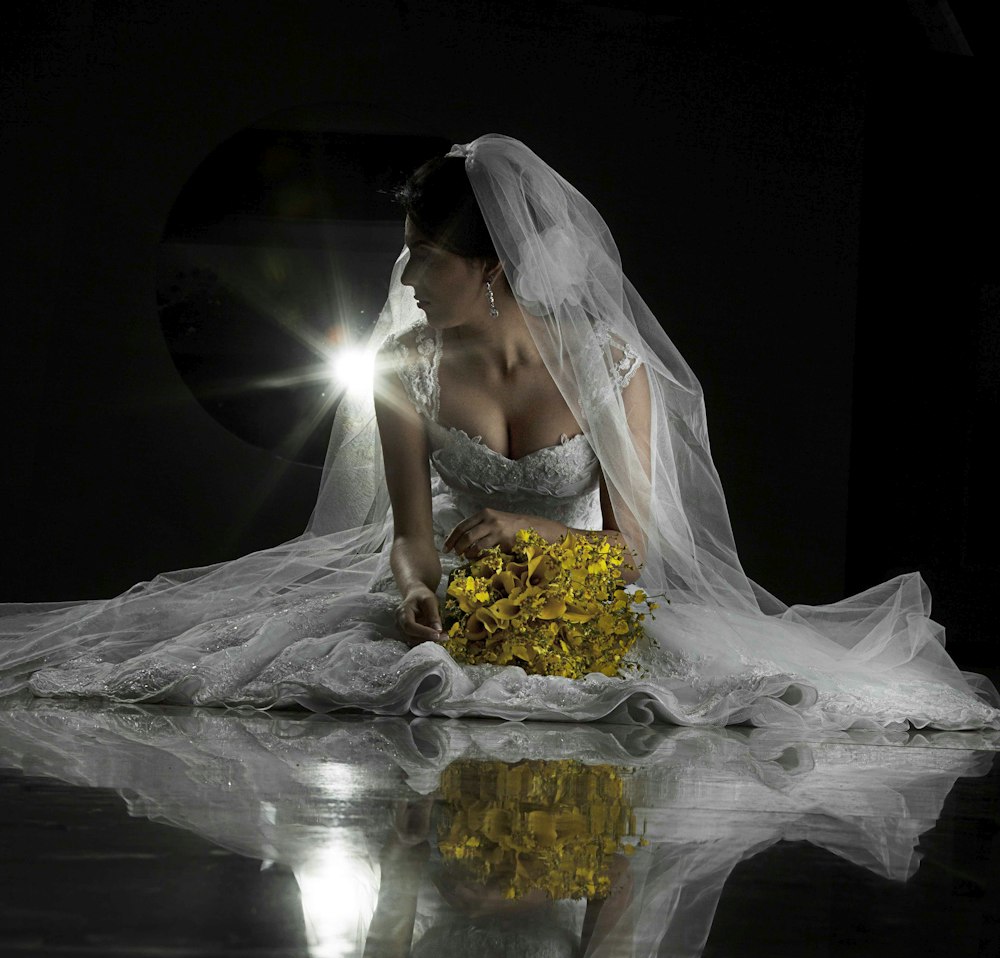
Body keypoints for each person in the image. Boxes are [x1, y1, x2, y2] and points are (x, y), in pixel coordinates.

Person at [0, 134, 997, 733]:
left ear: (491, 269)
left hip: (588, 592)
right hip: (458, 597)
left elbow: (634, 549)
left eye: (422, 260)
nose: (403, 284)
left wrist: (528, 538)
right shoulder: (404, 371)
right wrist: (420, 592)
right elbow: (407, 536)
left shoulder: (611, 369)